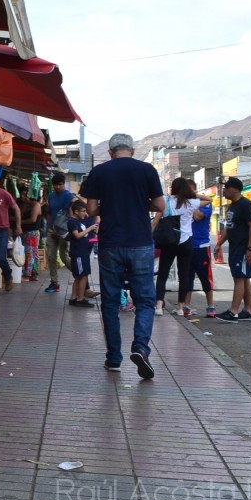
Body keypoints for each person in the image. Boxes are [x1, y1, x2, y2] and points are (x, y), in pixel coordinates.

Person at [83, 133, 165, 379]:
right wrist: (141, 203)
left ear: (110, 152)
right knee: (145, 300)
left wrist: (110, 206)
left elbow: (91, 209)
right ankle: (140, 347)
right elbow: (160, 205)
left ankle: (113, 358)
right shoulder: (146, 169)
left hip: (110, 244)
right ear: (132, 149)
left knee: (109, 301)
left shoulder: (100, 172)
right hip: (140, 242)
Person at [151, 177, 198, 318]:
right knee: (184, 275)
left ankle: (159, 305)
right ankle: (180, 307)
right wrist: (191, 193)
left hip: (169, 241)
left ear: (173, 188)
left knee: (163, 274)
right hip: (186, 242)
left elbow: (155, 221)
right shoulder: (192, 202)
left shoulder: (165, 201)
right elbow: (208, 199)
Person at [214, 177, 251, 323]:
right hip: (235, 247)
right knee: (243, 279)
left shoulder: (246, 205)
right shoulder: (232, 206)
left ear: (235, 189)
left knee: (239, 279)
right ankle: (248, 310)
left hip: (243, 248)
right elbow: (229, 227)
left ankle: (233, 312)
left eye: (226, 188)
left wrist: (250, 248)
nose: (224, 191)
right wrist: (219, 244)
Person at [186, 180, 217, 318]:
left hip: (201, 245)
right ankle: (187, 305)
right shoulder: (184, 204)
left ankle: (210, 305)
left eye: (191, 190)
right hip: (186, 245)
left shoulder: (205, 204)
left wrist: (193, 200)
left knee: (205, 277)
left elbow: (198, 216)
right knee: (187, 278)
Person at [43, 173, 75, 293]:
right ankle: (54, 283)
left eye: (60, 185)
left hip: (64, 231)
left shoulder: (68, 196)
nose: (57, 187)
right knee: (51, 257)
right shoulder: (51, 196)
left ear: (63, 184)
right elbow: (49, 213)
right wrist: (48, 228)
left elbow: (73, 212)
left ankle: (80, 275)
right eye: (55, 185)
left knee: (64, 257)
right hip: (52, 230)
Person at [66, 199, 97, 307]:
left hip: (84, 252)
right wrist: (90, 228)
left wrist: (95, 239)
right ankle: (80, 298)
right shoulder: (72, 222)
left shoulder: (81, 221)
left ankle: (74, 297)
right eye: (83, 211)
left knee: (79, 276)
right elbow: (77, 236)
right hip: (78, 253)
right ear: (76, 212)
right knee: (82, 275)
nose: (85, 213)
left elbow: (85, 238)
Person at [18, 190, 43, 281]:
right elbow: (20, 214)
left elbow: (32, 219)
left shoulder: (36, 205)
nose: (22, 197)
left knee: (30, 253)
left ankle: (27, 274)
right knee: (31, 253)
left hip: (32, 232)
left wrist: (19, 222)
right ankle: (34, 274)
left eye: (24, 195)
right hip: (27, 232)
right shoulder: (26, 205)